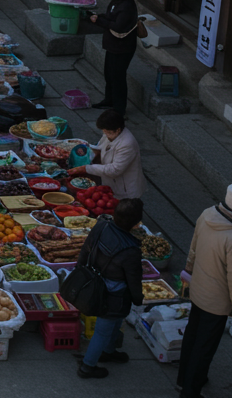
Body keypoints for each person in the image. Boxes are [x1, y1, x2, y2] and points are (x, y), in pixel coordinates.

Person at [177, 184, 232, 398]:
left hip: (198, 288)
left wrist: (188, 268)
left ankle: (183, 378)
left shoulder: (207, 215)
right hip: (217, 300)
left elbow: (193, 247)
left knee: (193, 335)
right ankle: (190, 390)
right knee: (204, 346)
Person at [75, 198, 145, 379]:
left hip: (94, 280)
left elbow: (85, 249)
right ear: (137, 222)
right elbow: (134, 278)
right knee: (104, 328)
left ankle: (109, 350)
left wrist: (80, 269)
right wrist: (138, 298)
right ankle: (87, 367)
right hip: (114, 293)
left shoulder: (101, 226)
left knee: (115, 321)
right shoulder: (131, 249)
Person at [89, 0, 140, 115]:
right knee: (109, 75)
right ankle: (109, 100)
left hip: (122, 48)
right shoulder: (116, 1)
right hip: (112, 46)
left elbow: (117, 26)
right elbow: (110, 17)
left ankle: (119, 108)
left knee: (118, 78)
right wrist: (98, 16)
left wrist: (98, 21)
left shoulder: (127, 6)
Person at [67, 109, 144, 199]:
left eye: (108, 132)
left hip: (124, 188)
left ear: (118, 130)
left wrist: (86, 168)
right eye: (104, 131)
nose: (105, 134)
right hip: (111, 183)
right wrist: (85, 147)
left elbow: (114, 170)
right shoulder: (110, 133)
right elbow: (101, 148)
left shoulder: (127, 144)